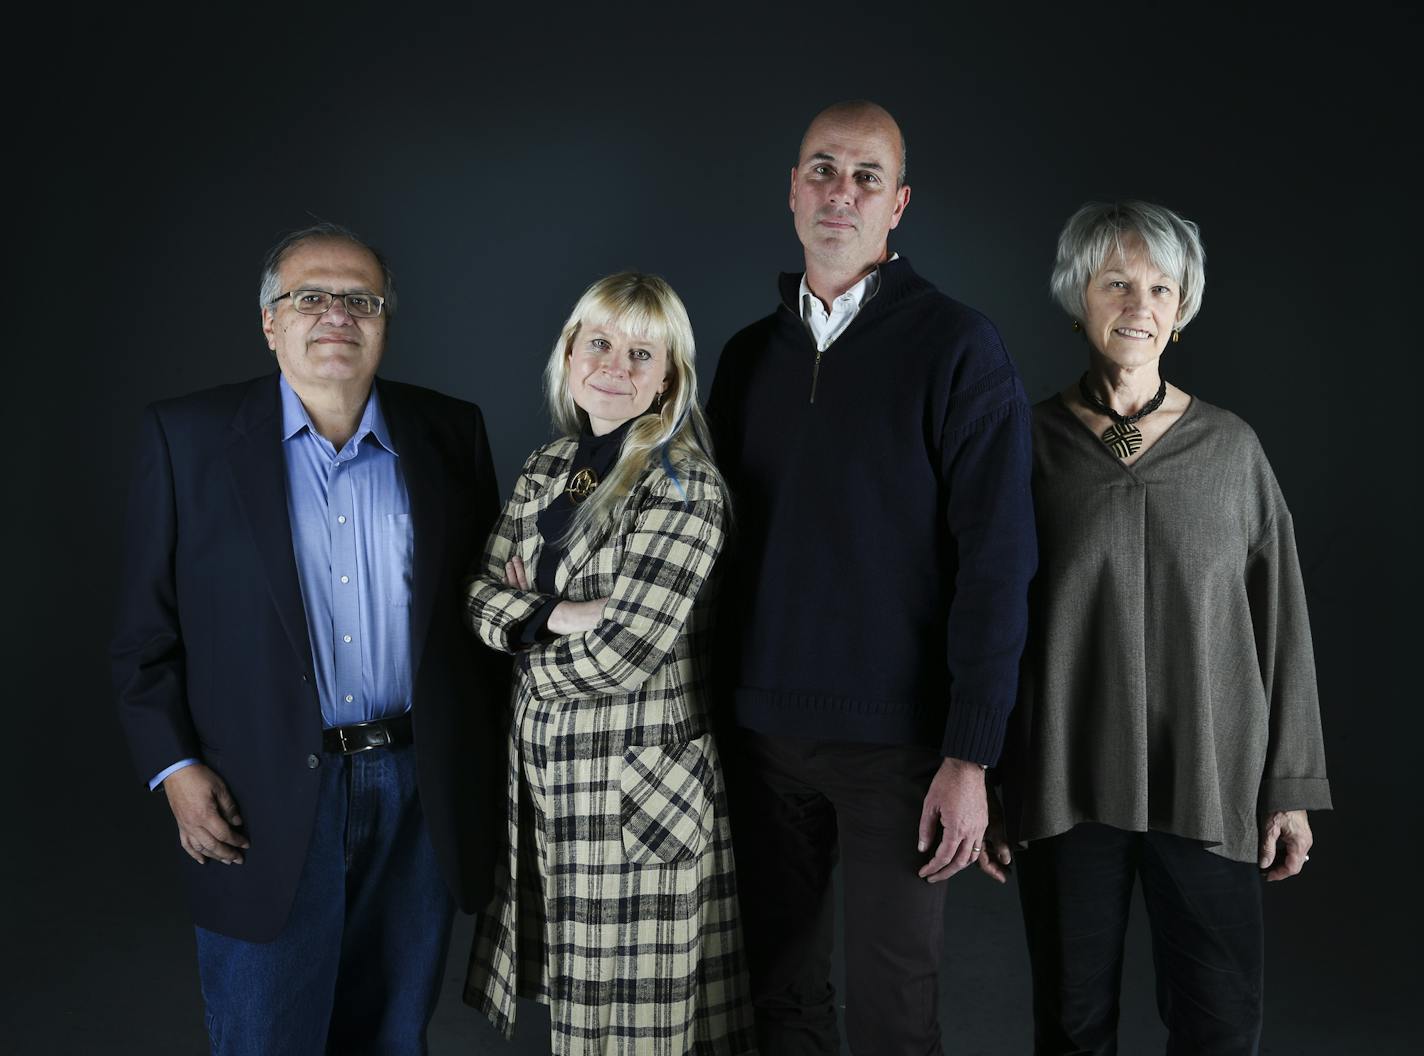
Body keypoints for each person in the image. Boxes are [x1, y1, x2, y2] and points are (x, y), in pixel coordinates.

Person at [111, 222, 506, 1055]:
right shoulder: (186, 440)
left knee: (394, 1037)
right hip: (262, 799)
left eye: (360, 300)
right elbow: (142, 638)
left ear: (385, 321)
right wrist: (175, 769)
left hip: (418, 794)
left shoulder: (449, 433)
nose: (337, 315)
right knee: (265, 1039)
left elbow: (479, 621)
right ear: (269, 321)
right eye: (310, 297)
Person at [708, 100, 1038, 1053]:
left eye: (864, 177)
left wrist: (972, 756)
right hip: (760, 736)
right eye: (822, 169)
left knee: (896, 1011)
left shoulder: (958, 350)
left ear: (898, 204)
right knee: (777, 998)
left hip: (903, 750)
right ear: (792, 192)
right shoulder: (745, 359)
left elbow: (998, 562)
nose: (839, 192)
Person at [987, 200, 1332, 1055]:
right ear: (1079, 300)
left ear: (1181, 312)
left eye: (1160, 288)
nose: (1138, 305)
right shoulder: (1025, 446)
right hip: (1065, 781)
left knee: (1220, 1024)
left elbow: (1282, 621)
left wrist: (1288, 785)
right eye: (1116, 283)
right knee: (1071, 1029)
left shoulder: (1232, 451)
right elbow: (986, 619)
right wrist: (983, 774)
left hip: (1211, 780)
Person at [463, 272, 754, 1054]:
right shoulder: (547, 467)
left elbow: (625, 653)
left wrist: (522, 640)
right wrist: (557, 615)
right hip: (551, 788)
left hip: (640, 802)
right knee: (578, 1028)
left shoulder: (684, 486)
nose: (614, 367)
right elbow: (476, 596)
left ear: (669, 379)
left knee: (636, 1037)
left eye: (640, 353)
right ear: (568, 352)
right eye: (598, 343)